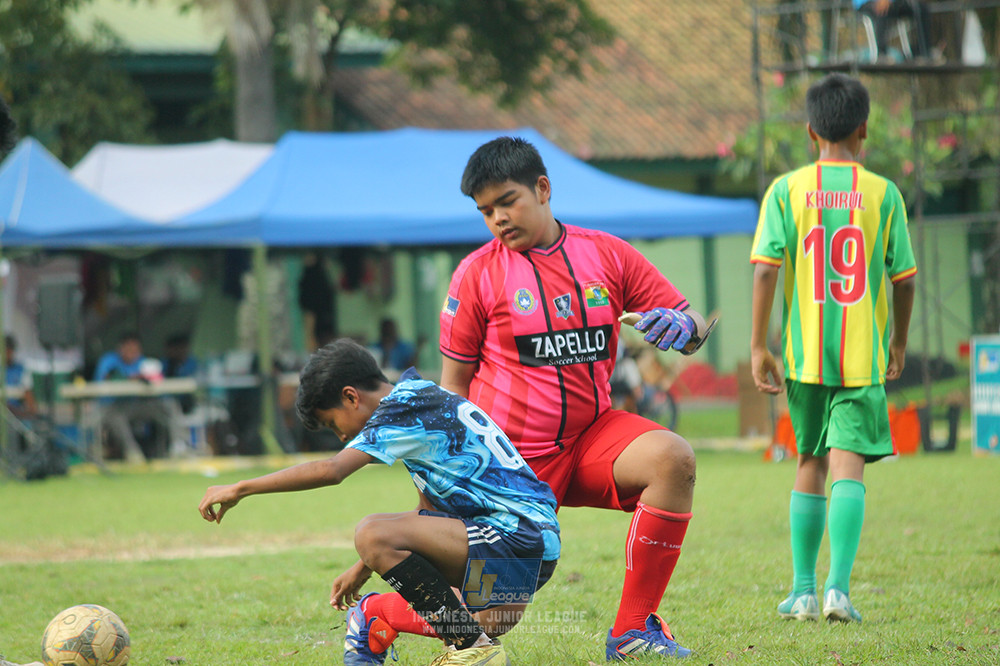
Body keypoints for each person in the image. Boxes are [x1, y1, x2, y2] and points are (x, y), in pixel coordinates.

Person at [438, 136, 712, 661]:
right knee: (488, 619)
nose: (498, 218)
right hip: (510, 464)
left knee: (673, 458)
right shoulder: (475, 274)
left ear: (543, 188)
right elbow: (453, 384)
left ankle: (632, 633)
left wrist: (684, 324)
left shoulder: (605, 253)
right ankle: (376, 614)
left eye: (507, 201)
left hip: (591, 436)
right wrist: (454, 468)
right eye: (485, 210)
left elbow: (694, 324)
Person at [198, 339, 560, 666]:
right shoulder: (421, 398)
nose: (341, 435)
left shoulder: (401, 408)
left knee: (371, 532)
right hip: (534, 550)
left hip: (516, 537)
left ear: (351, 396)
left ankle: (471, 649)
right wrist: (365, 565)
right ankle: (375, 616)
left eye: (333, 423)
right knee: (480, 622)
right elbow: (428, 513)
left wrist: (242, 488)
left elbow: (332, 470)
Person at [749, 73, 917, 624]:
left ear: (809, 132)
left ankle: (801, 589)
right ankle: (838, 591)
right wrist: (899, 340)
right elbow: (905, 278)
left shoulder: (786, 190)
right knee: (850, 466)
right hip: (862, 356)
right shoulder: (883, 193)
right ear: (864, 128)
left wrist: (758, 346)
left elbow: (765, 270)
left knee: (810, 461)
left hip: (804, 356)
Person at [94, 331, 188, 463]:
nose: (132, 352)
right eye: (128, 348)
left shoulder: (143, 362)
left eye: (135, 349)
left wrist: (149, 378)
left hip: (137, 405)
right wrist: (128, 378)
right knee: (115, 417)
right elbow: (105, 379)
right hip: (115, 406)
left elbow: (156, 379)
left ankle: (180, 446)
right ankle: (133, 453)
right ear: (121, 348)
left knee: (170, 404)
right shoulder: (109, 360)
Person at [855, 0, 933, 61]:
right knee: (883, 9)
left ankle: (923, 52)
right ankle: (881, 54)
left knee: (922, 9)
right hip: (866, 3)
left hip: (892, 3)